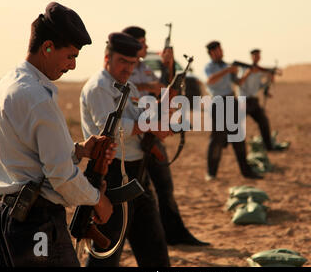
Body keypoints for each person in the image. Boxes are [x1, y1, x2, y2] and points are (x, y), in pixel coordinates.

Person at [0, 2, 115, 267]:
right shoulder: (37, 98)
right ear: (47, 47)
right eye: (70, 56)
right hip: (37, 224)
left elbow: (24, 153)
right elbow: (61, 175)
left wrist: (79, 151)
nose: (73, 66)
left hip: (5, 219)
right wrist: (98, 200)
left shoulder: (5, 86)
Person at [80, 32, 171, 267]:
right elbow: (109, 129)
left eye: (133, 63)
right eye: (123, 61)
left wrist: (160, 114)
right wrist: (149, 125)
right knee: (108, 249)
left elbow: (138, 116)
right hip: (110, 173)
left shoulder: (128, 86)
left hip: (136, 171)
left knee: (153, 244)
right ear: (107, 57)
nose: (128, 68)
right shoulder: (99, 87)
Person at [122, 26, 209, 246]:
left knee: (164, 187)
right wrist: (149, 85)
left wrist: (168, 67)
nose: (147, 46)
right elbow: (129, 89)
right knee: (133, 195)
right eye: (143, 42)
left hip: (150, 131)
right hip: (132, 137)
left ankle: (174, 233)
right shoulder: (123, 68)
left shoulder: (143, 67)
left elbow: (165, 89)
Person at [204, 41, 263, 181]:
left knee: (238, 138)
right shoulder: (210, 67)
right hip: (218, 102)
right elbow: (210, 80)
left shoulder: (226, 66)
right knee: (216, 140)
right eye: (218, 50)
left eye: (221, 49)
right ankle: (211, 173)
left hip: (231, 101)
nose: (221, 52)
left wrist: (248, 73)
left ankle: (246, 172)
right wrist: (228, 70)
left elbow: (239, 82)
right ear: (212, 52)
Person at [237, 48, 285, 151]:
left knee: (263, 121)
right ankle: (228, 144)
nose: (257, 57)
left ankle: (268, 146)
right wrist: (248, 73)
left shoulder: (259, 72)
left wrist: (269, 80)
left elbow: (260, 86)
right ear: (251, 57)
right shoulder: (244, 69)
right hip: (243, 101)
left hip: (254, 101)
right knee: (236, 125)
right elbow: (240, 82)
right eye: (255, 55)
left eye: (258, 55)